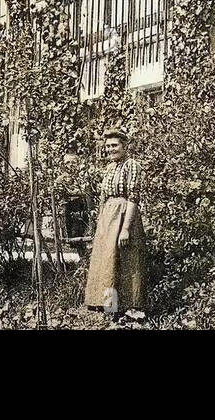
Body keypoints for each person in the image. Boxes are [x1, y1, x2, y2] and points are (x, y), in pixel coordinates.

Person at [83, 128, 147, 318]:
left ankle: (130, 307)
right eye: (108, 146)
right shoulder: (110, 168)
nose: (111, 149)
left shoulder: (132, 165)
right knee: (107, 262)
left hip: (124, 215)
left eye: (115, 145)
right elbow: (103, 197)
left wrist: (126, 228)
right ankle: (109, 306)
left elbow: (133, 197)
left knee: (126, 262)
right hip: (107, 219)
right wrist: (100, 223)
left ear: (124, 146)